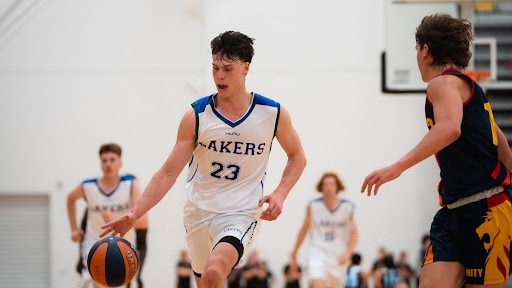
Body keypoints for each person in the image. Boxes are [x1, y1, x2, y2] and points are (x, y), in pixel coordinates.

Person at [100, 30, 307, 288]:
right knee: (208, 283)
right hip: (199, 213)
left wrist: (280, 194)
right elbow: (167, 173)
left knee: (213, 271)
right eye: (215, 67)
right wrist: (134, 214)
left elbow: (297, 156)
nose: (219, 75)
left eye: (227, 69)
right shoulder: (197, 115)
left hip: (240, 213)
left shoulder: (272, 113)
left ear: (246, 68)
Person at [361, 13, 512, 288]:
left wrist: (397, 167)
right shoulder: (468, 89)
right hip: (453, 211)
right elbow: (501, 141)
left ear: (426, 50)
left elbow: (450, 128)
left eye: (416, 50)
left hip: (486, 209)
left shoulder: (441, 83)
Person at [66, 143, 144, 288]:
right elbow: (70, 199)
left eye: (112, 160)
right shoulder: (88, 186)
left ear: (120, 162)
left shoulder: (131, 184)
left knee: (121, 282)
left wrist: (115, 218)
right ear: (100, 163)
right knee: (99, 281)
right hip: (94, 241)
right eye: (104, 160)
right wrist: (74, 229)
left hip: (124, 242)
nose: (108, 164)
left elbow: (143, 220)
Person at [290, 172, 359, 288]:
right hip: (318, 251)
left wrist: (348, 252)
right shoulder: (312, 206)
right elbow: (303, 230)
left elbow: (354, 233)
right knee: (317, 282)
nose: (328, 187)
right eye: (325, 184)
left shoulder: (347, 207)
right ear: (321, 187)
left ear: (337, 187)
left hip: (339, 254)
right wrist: (294, 253)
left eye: (332, 184)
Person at [127, 213, 149, 288]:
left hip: (137, 229)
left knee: (137, 277)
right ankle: (136, 277)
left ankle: (137, 277)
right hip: (139, 228)